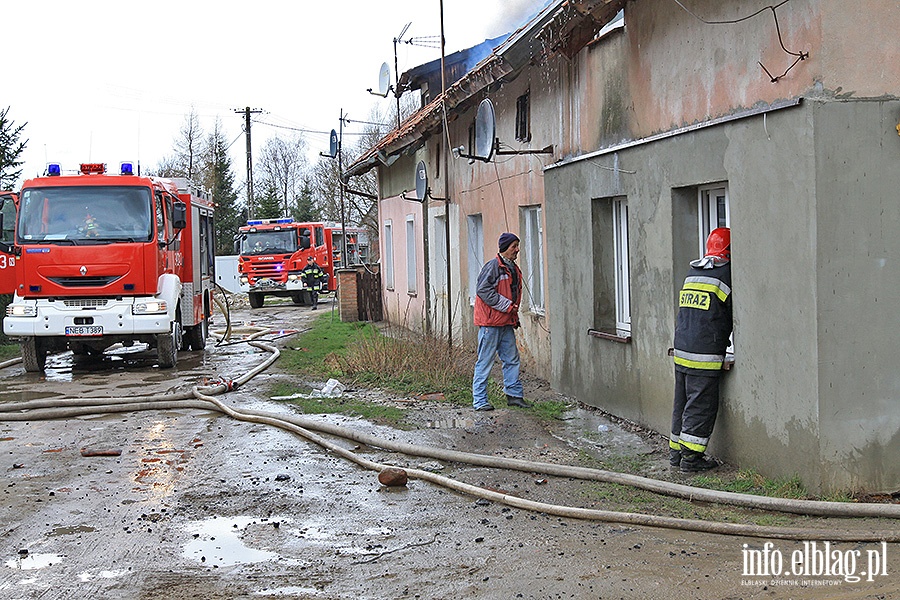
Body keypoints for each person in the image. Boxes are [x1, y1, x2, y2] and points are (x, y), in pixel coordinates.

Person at [670, 227, 733, 472]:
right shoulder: (727, 274)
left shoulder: (693, 272)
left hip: (682, 347)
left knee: (682, 402)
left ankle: (676, 455)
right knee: (701, 404)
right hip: (704, 353)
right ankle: (691, 460)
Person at [471, 232, 532, 411]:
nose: (517, 250)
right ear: (505, 248)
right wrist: (507, 306)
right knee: (485, 361)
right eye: (514, 246)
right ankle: (480, 401)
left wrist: (513, 317)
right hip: (490, 324)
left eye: (517, 246)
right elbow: (483, 291)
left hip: (505, 323)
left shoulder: (512, 268)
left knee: (512, 359)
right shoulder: (493, 267)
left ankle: (514, 396)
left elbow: (511, 294)